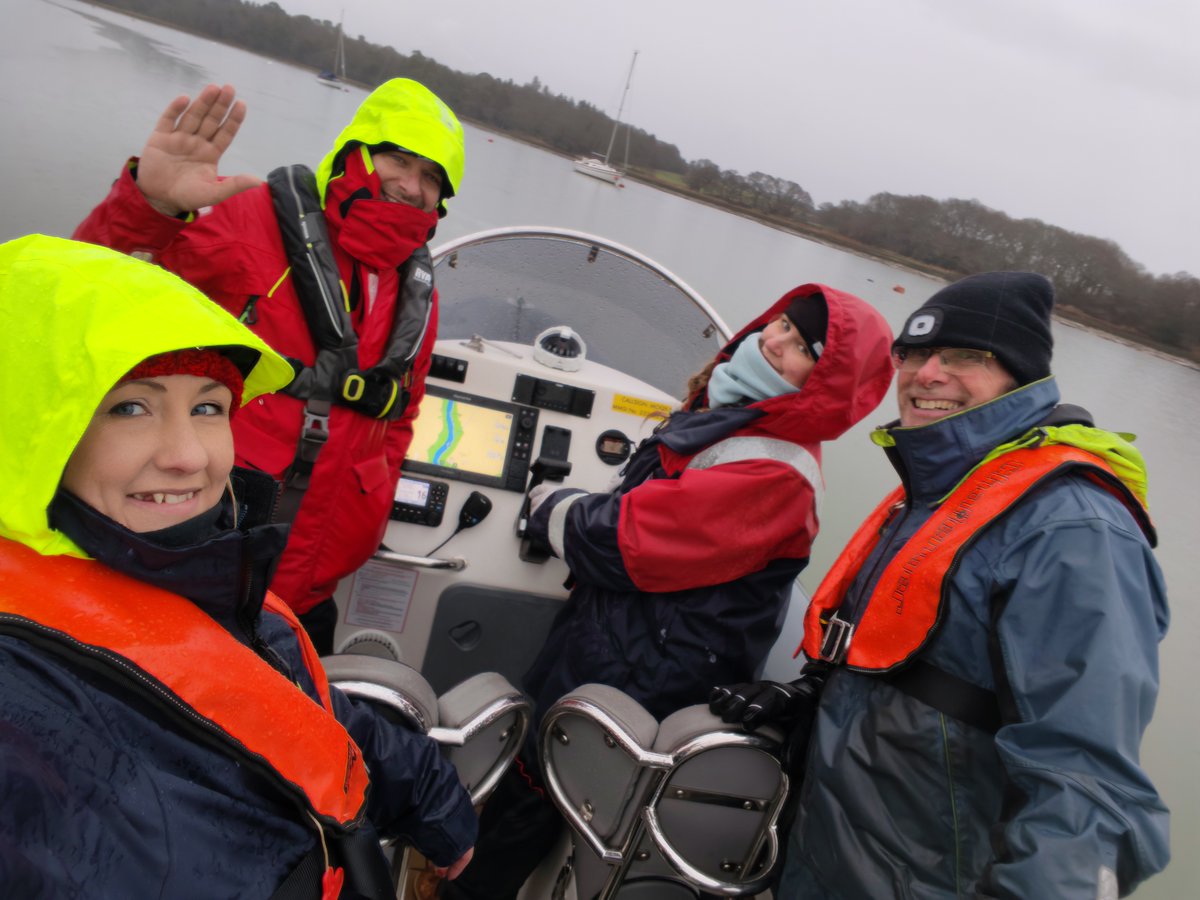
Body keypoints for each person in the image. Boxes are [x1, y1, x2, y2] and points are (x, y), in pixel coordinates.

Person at [0, 235, 475, 898]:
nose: (189, 456)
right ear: (30, 427)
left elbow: (289, 705)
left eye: (208, 407)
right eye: (130, 407)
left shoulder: (198, 570)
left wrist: (427, 787)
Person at [712, 272, 1171, 899]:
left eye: (964, 357)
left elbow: (1089, 786)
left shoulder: (1074, 530)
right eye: (915, 354)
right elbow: (913, 672)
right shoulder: (940, 491)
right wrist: (809, 695)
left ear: (1022, 376)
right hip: (829, 855)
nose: (927, 374)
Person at [443, 284, 896, 899]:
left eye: (801, 348)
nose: (775, 340)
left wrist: (549, 507)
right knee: (534, 774)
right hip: (612, 638)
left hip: (648, 668)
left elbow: (626, 541)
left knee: (544, 794)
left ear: (824, 383)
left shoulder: (776, 472)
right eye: (783, 324)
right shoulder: (728, 414)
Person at [74, 79, 465, 654]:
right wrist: (152, 207)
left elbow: (399, 415)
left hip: (310, 593)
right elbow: (98, 302)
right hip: (198, 556)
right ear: (355, 155)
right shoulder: (255, 219)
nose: (412, 184)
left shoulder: (419, 294)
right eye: (399, 159)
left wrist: (371, 502)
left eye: (432, 177)